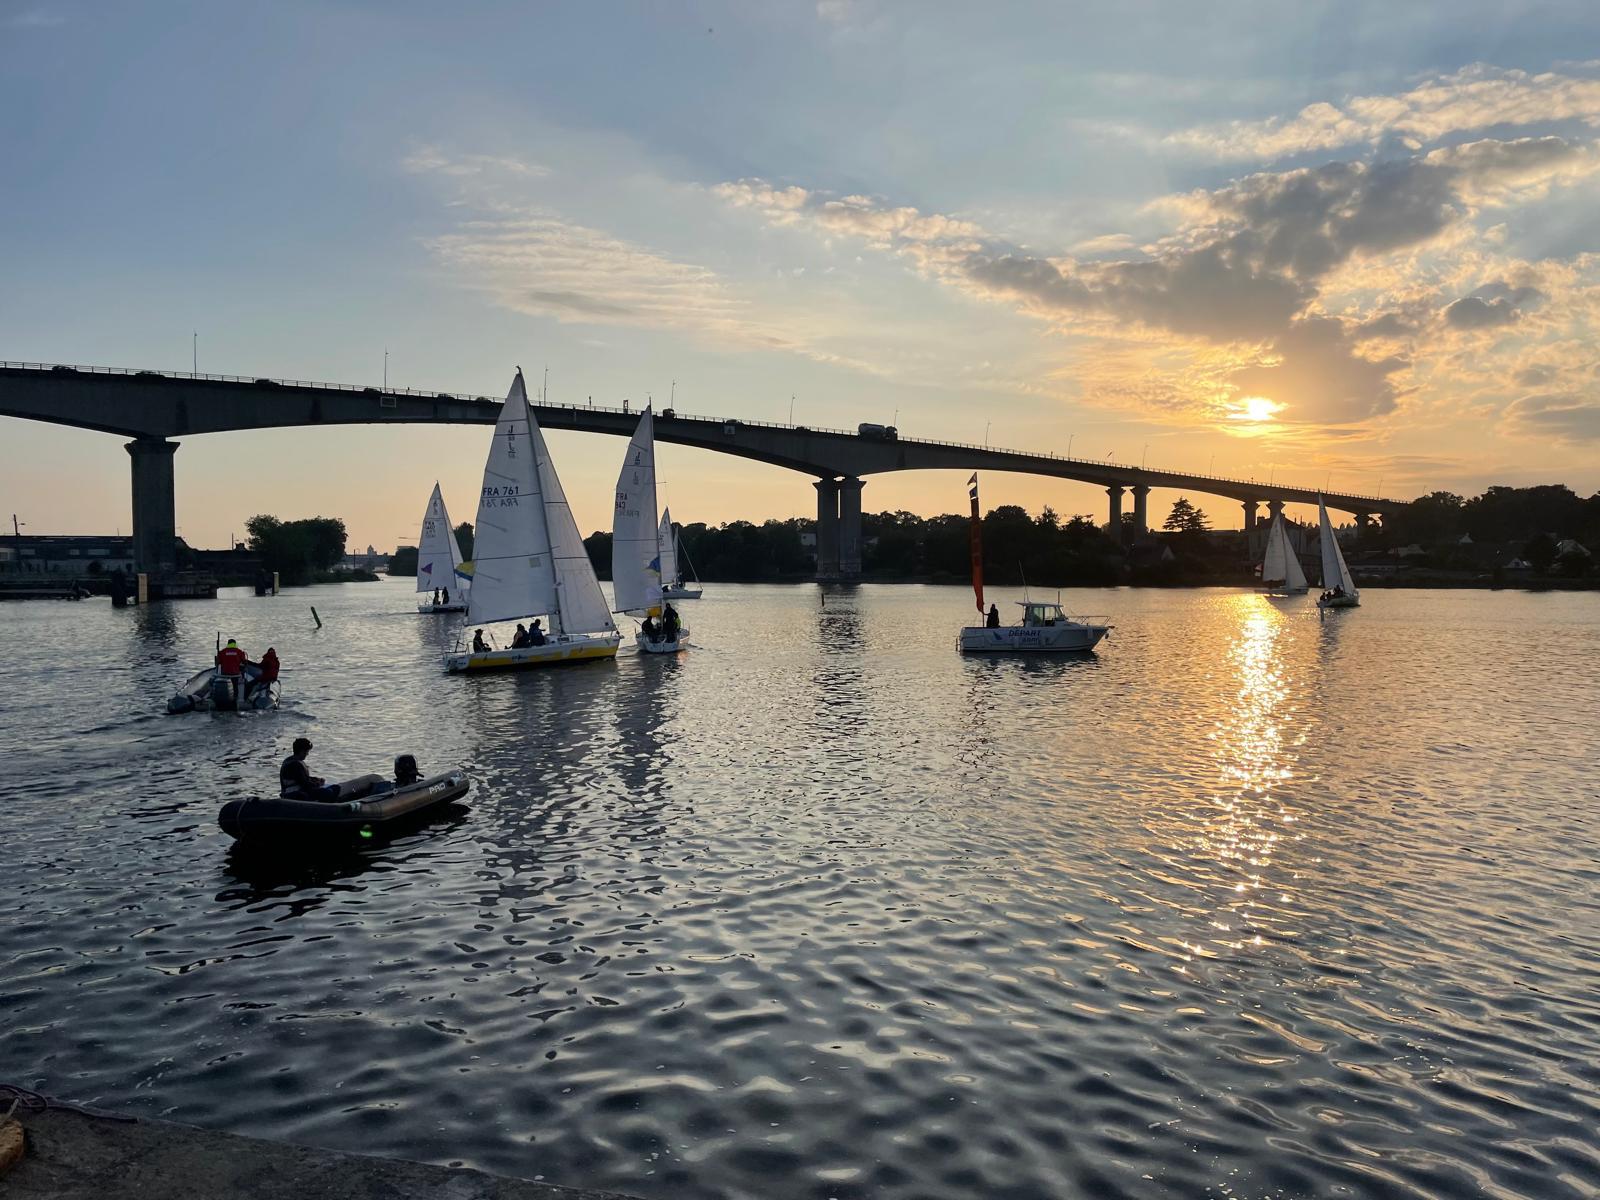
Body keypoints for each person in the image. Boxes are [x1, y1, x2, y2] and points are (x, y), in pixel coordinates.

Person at [280, 737, 339, 801]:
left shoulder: (294, 761)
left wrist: (316, 779)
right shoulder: (294, 765)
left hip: (300, 791)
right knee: (328, 792)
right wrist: (318, 784)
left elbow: (302, 778)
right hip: (294, 794)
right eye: (307, 751)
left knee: (336, 787)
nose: (307, 754)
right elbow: (305, 785)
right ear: (302, 751)